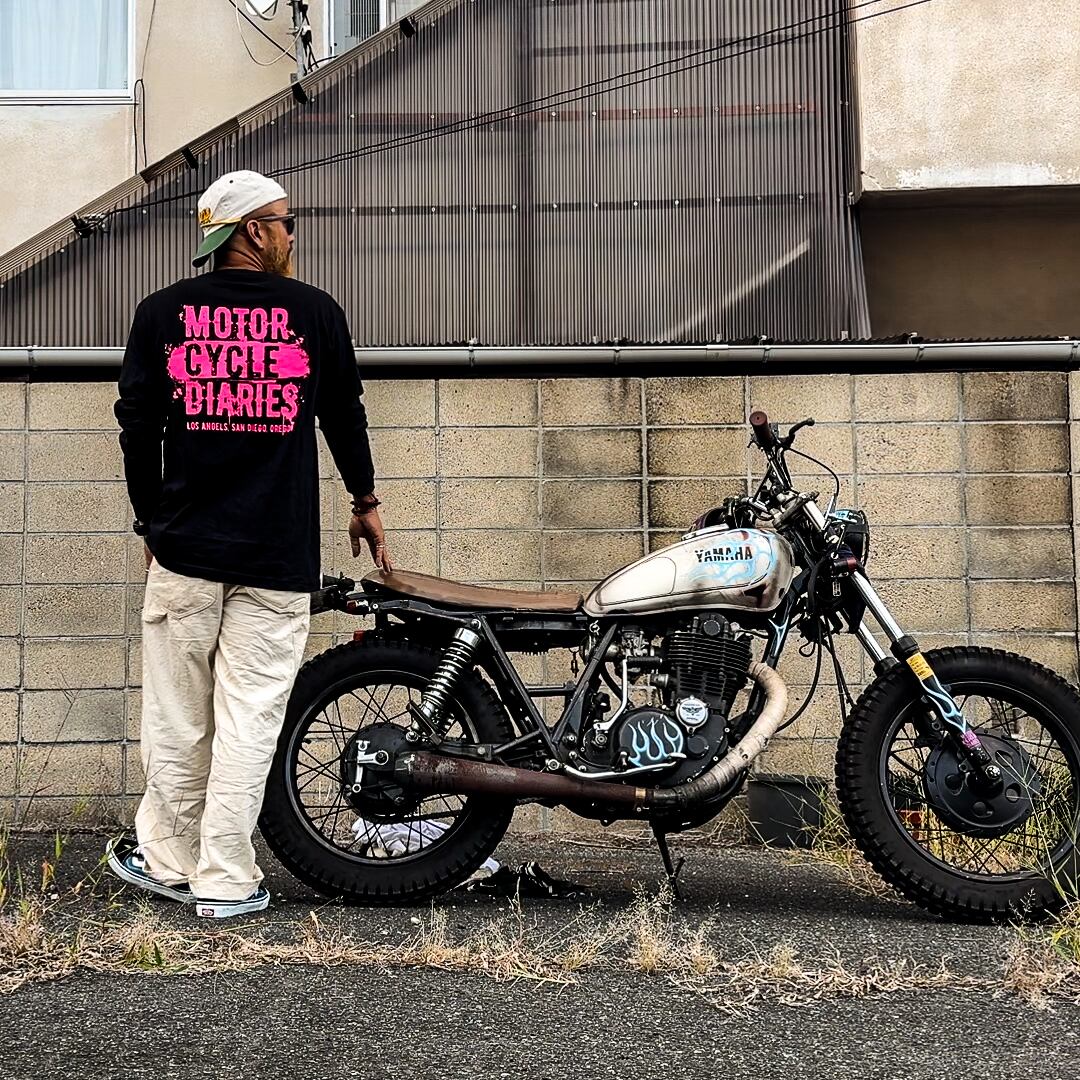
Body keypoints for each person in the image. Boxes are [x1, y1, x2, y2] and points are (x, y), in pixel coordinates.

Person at [107, 169, 392, 918]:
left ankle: (170, 863)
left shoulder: (162, 312)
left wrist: (149, 522)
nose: (293, 235)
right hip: (276, 555)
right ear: (254, 231)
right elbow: (344, 414)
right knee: (250, 719)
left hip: (186, 550)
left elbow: (137, 425)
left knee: (178, 716)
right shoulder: (315, 313)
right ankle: (227, 881)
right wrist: (364, 503)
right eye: (287, 222)